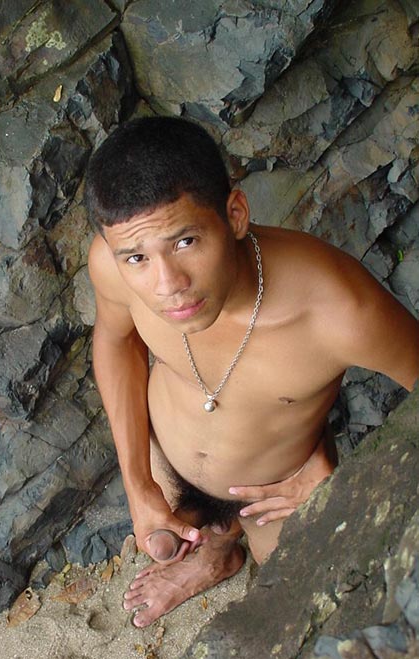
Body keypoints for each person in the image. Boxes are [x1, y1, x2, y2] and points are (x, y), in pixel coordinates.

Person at [84, 116, 419, 628]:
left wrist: (346, 480)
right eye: (137, 258)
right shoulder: (112, 264)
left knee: (300, 600)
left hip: (274, 491)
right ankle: (216, 557)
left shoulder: (340, 310)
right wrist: (138, 482)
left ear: (235, 214)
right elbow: (115, 341)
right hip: (166, 458)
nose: (167, 284)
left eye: (185, 241)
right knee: (184, 538)